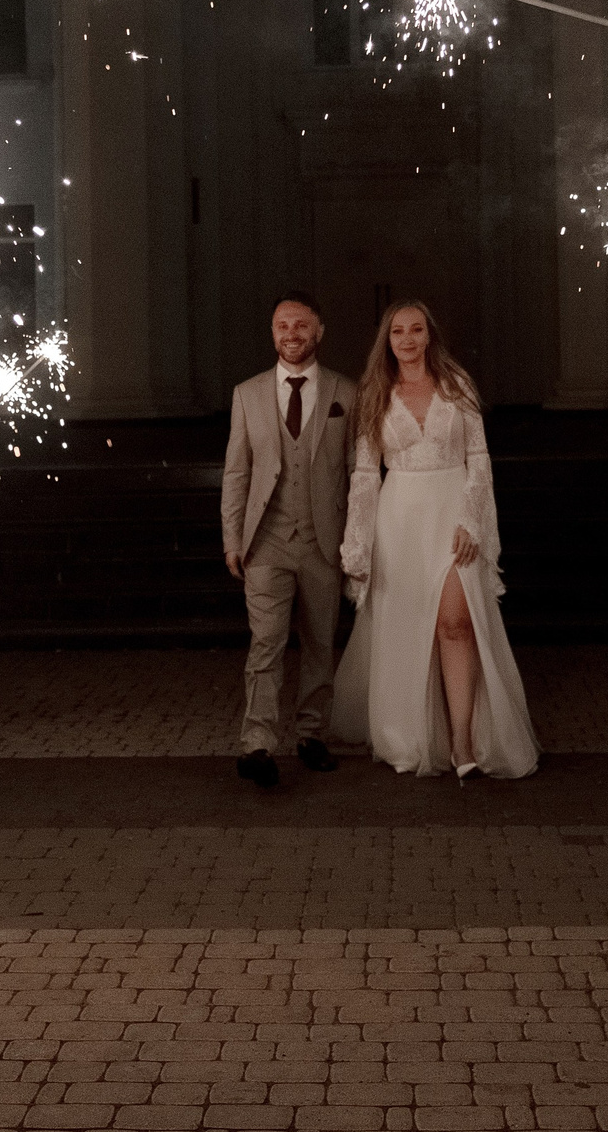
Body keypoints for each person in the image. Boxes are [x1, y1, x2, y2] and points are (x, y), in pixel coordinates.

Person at [330, 301, 537, 778]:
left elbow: (479, 458)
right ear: (387, 340)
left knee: (456, 623)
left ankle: (463, 743)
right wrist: (357, 544)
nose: (407, 339)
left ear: (429, 336)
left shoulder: (457, 385)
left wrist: (472, 521)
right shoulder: (375, 393)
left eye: (416, 329)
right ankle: (411, 736)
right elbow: (366, 474)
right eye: (397, 331)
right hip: (400, 519)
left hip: (452, 513)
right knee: (407, 630)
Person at [220, 293, 355, 788]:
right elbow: (237, 472)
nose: (291, 333)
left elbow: (358, 473)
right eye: (282, 325)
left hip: (324, 540)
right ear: (272, 332)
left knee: (320, 642)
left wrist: (356, 542)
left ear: (319, 331)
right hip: (266, 541)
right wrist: (232, 538)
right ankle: (257, 744)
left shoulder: (346, 392)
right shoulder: (247, 394)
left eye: (301, 325)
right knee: (266, 642)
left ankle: (311, 735)